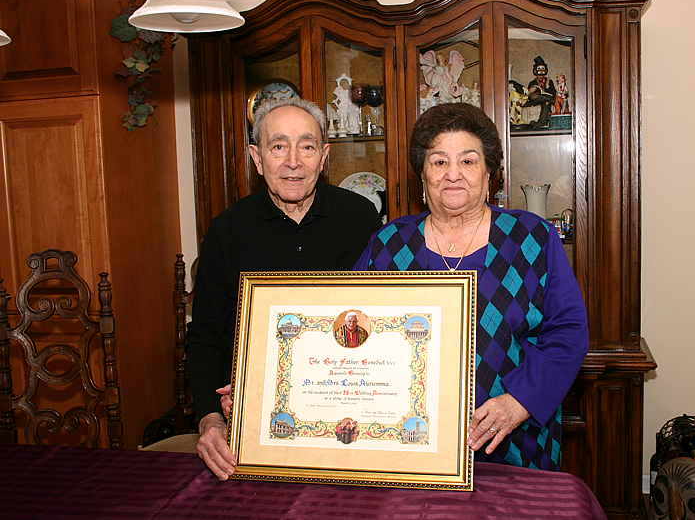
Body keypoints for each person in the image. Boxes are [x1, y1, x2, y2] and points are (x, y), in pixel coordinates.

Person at [354, 103, 588, 470]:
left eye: (468, 161)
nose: (453, 174)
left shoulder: (532, 238)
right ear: (422, 173)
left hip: (511, 440)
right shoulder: (388, 245)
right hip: (407, 441)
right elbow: (353, 333)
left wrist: (518, 403)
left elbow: (567, 333)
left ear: (490, 171)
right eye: (439, 161)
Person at [186, 96, 382, 480]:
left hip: (346, 411)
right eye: (278, 146)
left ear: (323, 156)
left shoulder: (361, 219)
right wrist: (210, 418)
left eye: (307, 146)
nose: (293, 161)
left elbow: (378, 322)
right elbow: (205, 336)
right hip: (249, 421)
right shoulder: (226, 231)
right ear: (257, 158)